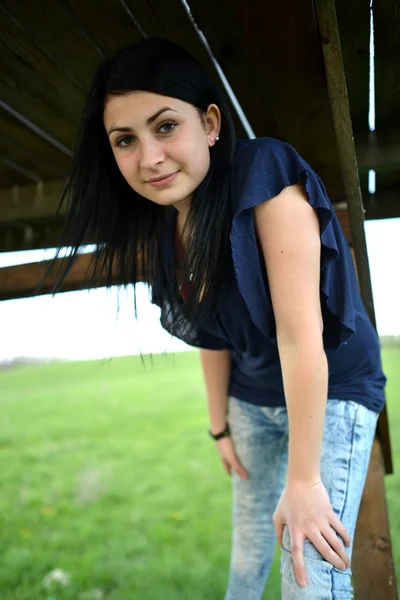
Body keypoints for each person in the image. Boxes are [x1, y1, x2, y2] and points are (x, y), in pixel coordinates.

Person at [51, 38, 386, 599]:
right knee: (249, 551)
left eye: (164, 127)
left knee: (310, 571)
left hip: (332, 389)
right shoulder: (161, 231)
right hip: (252, 400)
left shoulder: (265, 176)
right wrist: (220, 424)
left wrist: (303, 481)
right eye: (125, 140)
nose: (149, 157)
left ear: (209, 123)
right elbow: (212, 333)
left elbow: (303, 340)